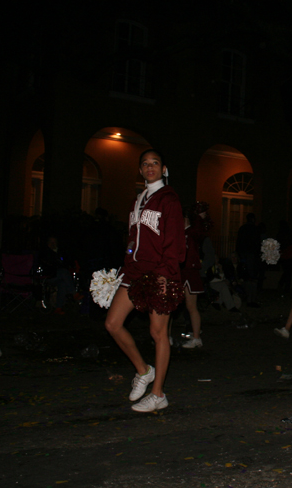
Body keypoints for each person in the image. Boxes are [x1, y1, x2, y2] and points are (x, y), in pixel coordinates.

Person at [104, 149, 185, 412]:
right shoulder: (137, 201)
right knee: (113, 323)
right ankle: (143, 370)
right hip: (135, 273)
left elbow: (174, 243)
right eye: (145, 164)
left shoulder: (169, 200)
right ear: (140, 170)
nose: (150, 167)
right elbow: (132, 241)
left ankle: (158, 394)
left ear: (164, 169)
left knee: (158, 333)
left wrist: (165, 275)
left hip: (160, 273)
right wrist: (124, 269)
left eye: (155, 163)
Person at [179, 203, 211, 349]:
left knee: (191, 306)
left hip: (190, 271)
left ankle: (197, 338)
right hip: (178, 271)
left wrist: (199, 216)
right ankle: (164, 337)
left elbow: (199, 231)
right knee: (170, 306)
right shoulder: (178, 231)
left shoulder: (193, 231)